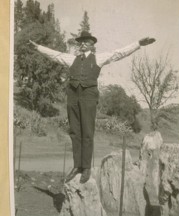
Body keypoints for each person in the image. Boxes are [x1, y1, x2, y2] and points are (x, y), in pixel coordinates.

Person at [30, 31, 155, 183]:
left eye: (85, 41)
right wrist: (38, 48)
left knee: (87, 132)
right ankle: (77, 166)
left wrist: (138, 44)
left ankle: (86, 167)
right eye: (80, 41)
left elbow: (118, 53)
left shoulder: (98, 58)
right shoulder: (72, 59)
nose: (82, 43)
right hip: (73, 97)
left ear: (92, 44)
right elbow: (56, 55)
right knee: (75, 132)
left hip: (89, 97)